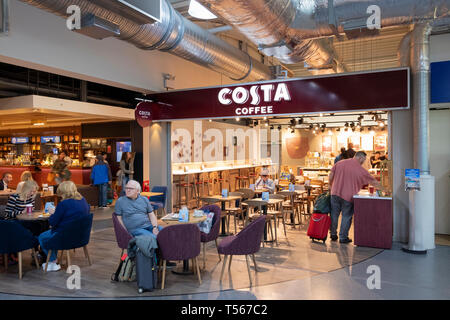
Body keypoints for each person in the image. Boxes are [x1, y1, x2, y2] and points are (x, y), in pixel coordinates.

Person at [328, 151, 384, 244]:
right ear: (360, 158)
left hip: (335, 193)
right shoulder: (361, 170)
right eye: (364, 160)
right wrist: (384, 189)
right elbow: (373, 182)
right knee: (346, 216)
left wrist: (331, 185)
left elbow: (331, 175)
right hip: (348, 196)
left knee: (334, 214)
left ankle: (333, 234)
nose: (364, 162)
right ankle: (343, 237)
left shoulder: (340, 163)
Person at [38, 181, 90, 272]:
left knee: (42, 237)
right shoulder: (83, 200)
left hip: (65, 236)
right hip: (81, 235)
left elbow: (53, 222)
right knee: (50, 236)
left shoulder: (64, 204)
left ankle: (52, 260)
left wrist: (52, 214)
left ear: (63, 192)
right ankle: (53, 260)